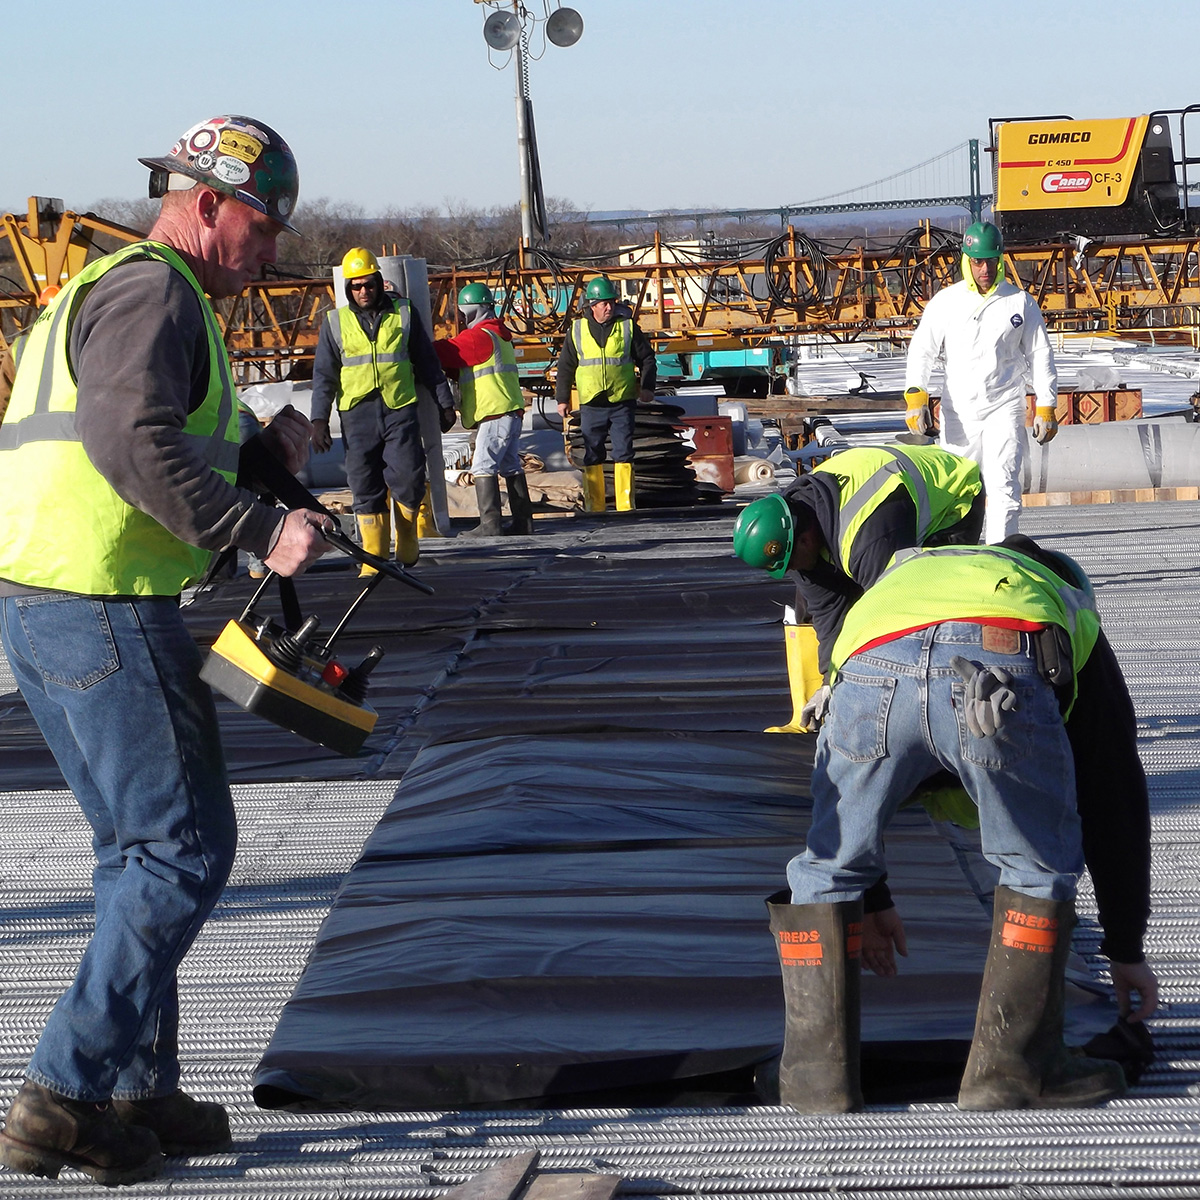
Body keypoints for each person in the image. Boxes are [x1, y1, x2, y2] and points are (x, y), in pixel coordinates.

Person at [0, 114, 332, 1186]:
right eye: (264, 223)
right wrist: (254, 529)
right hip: (98, 600)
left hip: (44, 595)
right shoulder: (155, 292)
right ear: (204, 204)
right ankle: (65, 1091)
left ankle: (136, 1087)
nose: (273, 247)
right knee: (185, 847)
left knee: (133, 853)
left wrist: (256, 456)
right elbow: (125, 439)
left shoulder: (124, 291)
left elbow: (145, 428)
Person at [768, 540, 1157, 1115]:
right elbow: (1112, 792)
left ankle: (815, 1082)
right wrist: (1125, 947)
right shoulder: (1064, 605)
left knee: (828, 866)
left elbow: (855, 787)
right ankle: (1012, 1072)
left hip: (872, 663)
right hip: (998, 662)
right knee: (1034, 863)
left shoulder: (891, 589)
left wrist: (866, 894)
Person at [733, 442, 985, 725]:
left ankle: (936, 709)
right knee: (811, 602)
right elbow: (829, 615)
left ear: (804, 540)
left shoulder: (867, 539)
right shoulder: (793, 523)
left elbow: (888, 616)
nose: (792, 570)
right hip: (881, 504)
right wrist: (829, 682)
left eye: (790, 562)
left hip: (954, 495)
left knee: (923, 602)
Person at [904, 221, 1060, 545]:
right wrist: (916, 396)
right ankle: (957, 559)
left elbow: (1040, 353)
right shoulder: (947, 303)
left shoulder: (1019, 302)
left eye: (991, 260)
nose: (985, 268)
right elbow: (922, 350)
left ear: (1000, 258)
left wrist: (1046, 404)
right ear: (966, 260)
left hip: (1003, 407)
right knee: (955, 490)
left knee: (1004, 484)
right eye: (978, 261)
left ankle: (1002, 559)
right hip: (959, 412)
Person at [310, 247, 455, 574]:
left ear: (378, 281)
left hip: (399, 410)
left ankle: (406, 536)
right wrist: (318, 420)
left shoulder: (404, 313)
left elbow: (428, 363)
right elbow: (324, 376)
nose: (364, 292)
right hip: (357, 416)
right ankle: (373, 554)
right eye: (356, 287)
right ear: (348, 289)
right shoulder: (334, 323)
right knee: (364, 482)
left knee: (408, 475)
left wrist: (445, 403)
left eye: (369, 285)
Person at [434, 282, 533, 536]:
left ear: (472, 311)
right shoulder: (498, 335)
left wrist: (420, 344)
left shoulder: (478, 336)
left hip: (495, 413)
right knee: (511, 466)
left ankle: (490, 526)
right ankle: (523, 523)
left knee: (482, 467)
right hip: (510, 411)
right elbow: (468, 365)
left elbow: (445, 352)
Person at [554, 275, 656, 513]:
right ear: (592, 305)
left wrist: (648, 387)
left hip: (622, 400)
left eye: (611, 301)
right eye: (603, 303)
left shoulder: (627, 326)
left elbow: (647, 358)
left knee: (623, 451)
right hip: (591, 403)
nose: (609, 306)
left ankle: (625, 507)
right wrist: (562, 399)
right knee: (592, 452)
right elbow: (565, 366)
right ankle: (595, 507)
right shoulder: (577, 330)